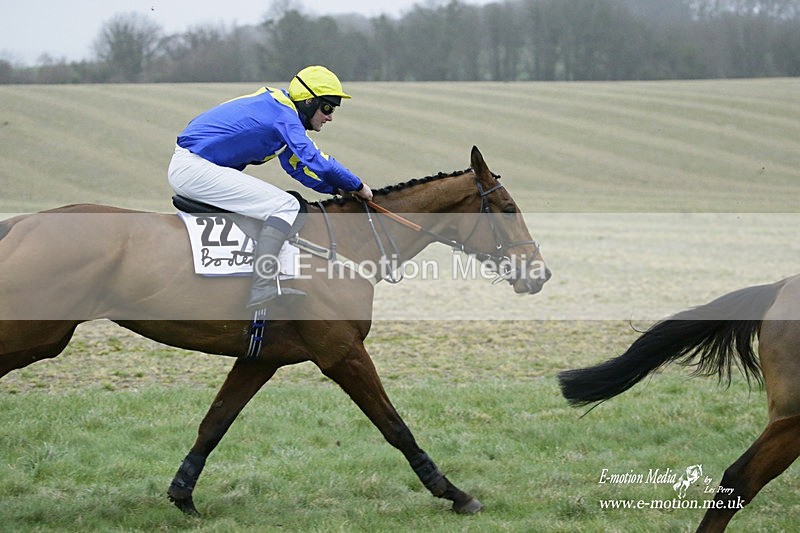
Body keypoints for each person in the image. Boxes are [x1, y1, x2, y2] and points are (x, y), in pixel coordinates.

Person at [168, 65, 373, 310]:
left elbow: (296, 168)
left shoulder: (281, 110)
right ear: (308, 102)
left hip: (194, 166)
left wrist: (334, 190)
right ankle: (262, 285)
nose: (330, 117)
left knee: (284, 203)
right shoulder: (283, 114)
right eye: (327, 108)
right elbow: (316, 159)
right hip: (194, 167)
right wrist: (357, 185)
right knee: (286, 205)